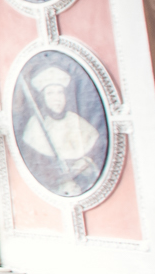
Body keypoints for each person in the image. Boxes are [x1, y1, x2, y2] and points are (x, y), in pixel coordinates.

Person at [18, 65, 102, 196]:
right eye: (50, 93)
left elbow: (95, 155)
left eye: (60, 92)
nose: (56, 98)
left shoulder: (76, 121)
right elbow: (39, 168)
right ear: (43, 98)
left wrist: (84, 163)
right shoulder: (35, 127)